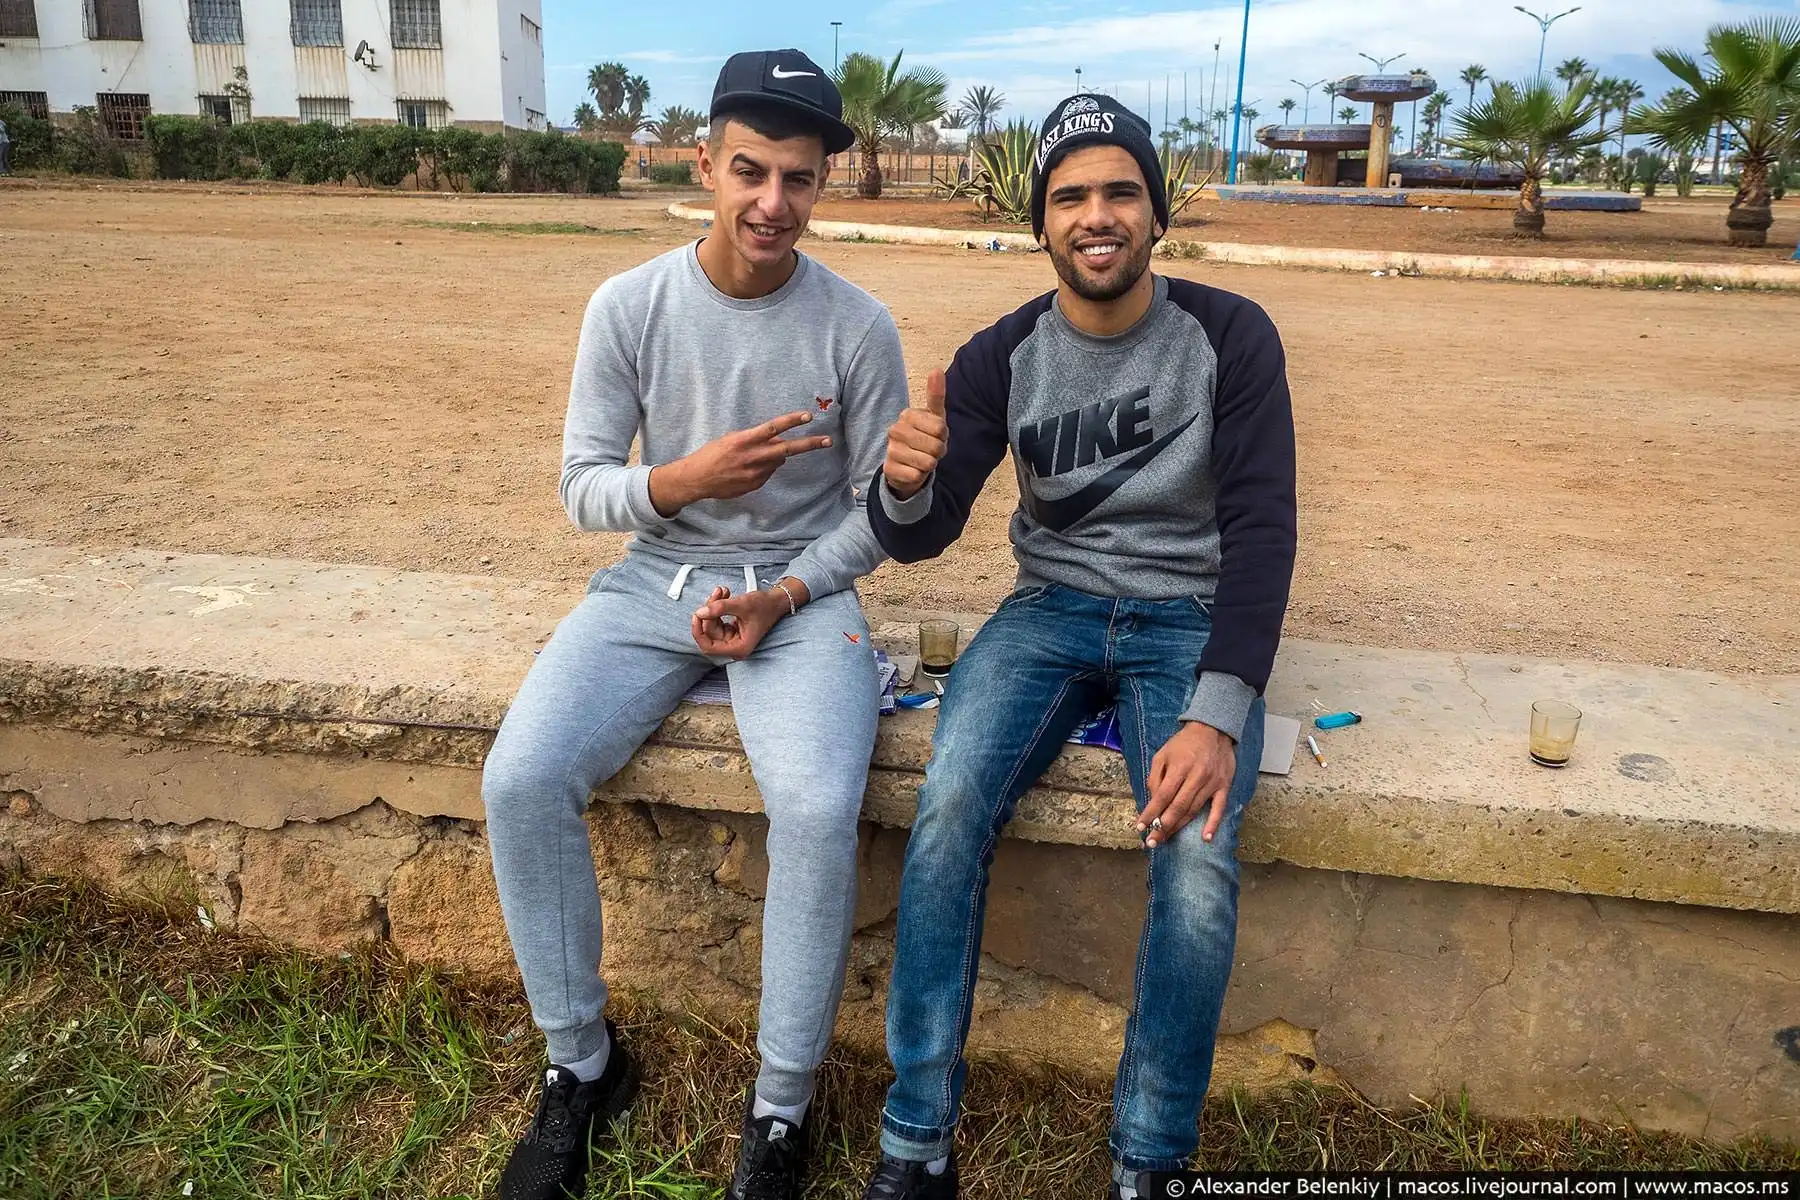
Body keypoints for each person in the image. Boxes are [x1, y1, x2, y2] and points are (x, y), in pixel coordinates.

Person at [482, 48, 908, 1200]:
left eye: (799, 179)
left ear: (821, 185)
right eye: (751, 171)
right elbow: (583, 487)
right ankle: (582, 1065)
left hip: (801, 597)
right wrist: (681, 482)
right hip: (653, 580)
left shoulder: (859, 327)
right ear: (706, 166)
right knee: (520, 779)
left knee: (814, 807)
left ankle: (781, 1108)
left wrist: (788, 592)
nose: (773, 202)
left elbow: (877, 516)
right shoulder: (630, 306)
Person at [861, 92, 1298, 1200]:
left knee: (1196, 851)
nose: (1095, 215)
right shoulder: (1001, 356)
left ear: (1156, 213)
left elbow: (1263, 533)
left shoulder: (1231, 337)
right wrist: (901, 484)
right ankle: (915, 1140)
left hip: (1188, 616)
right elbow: (923, 533)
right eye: (1070, 197)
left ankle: (1150, 1159)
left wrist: (1216, 715)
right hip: (1048, 609)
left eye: (1119, 192)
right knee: (949, 805)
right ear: (1041, 222)